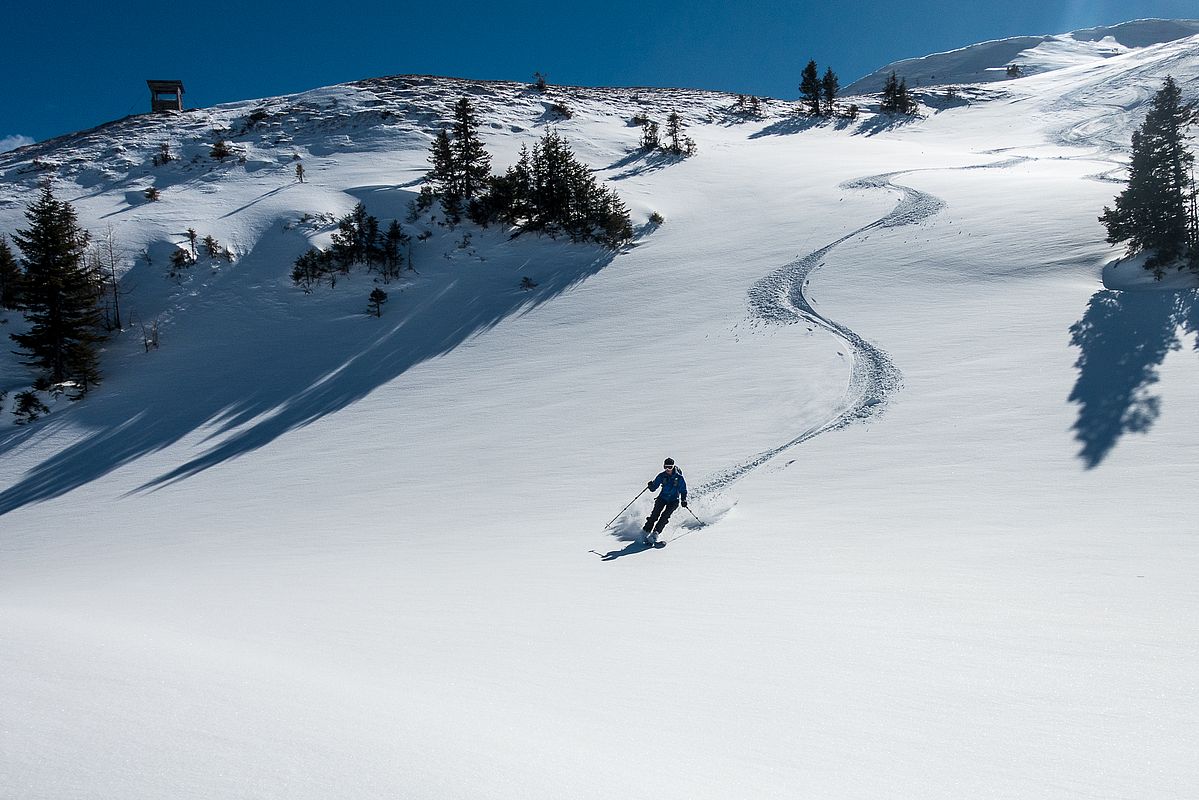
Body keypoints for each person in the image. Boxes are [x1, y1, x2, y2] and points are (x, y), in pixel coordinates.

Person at [644, 457, 687, 541]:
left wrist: (683, 499)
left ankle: (656, 532)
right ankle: (646, 530)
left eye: (670, 467)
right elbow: (654, 488)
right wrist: (651, 486)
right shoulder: (661, 476)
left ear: (673, 467)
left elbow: (683, 490)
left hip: (673, 500)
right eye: (665, 467)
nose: (667, 469)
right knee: (654, 515)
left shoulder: (679, 477)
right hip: (662, 498)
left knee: (664, 516)